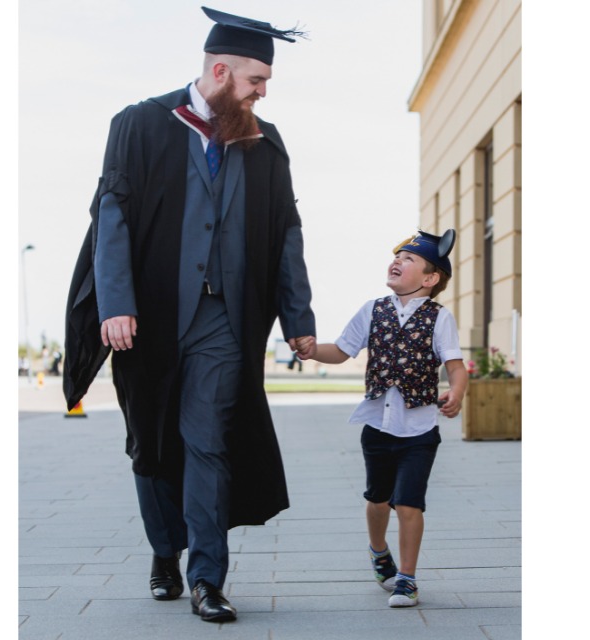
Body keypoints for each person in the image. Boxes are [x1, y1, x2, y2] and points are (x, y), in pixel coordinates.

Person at [63, 6, 316, 623]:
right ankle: (163, 549)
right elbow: (112, 218)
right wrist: (115, 304)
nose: (261, 93)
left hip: (226, 323)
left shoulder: (264, 143)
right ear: (220, 69)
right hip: (147, 319)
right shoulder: (140, 125)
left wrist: (297, 318)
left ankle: (207, 577)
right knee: (149, 441)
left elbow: (287, 233)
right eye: (256, 80)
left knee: (208, 444)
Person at [297, 230, 467, 608]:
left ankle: (406, 578)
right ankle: (378, 551)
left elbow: (456, 367)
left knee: (409, 504)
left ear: (430, 278)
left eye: (409, 259)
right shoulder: (372, 309)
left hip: (419, 429)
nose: (397, 262)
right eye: (397, 257)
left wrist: (456, 392)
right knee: (378, 500)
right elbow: (341, 351)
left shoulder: (440, 318)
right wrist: (311, 350)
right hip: (377, 426)